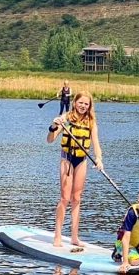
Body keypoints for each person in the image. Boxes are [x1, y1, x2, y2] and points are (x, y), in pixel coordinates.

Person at [47, 91, 103, 252]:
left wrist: (99, 159)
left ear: (89, 106)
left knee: (77, 198)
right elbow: (50, 140)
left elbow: (96, 144)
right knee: (65, 198)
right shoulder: (66, 118)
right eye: (81, 103)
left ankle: (74, 236)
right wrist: (53, 127)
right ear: (75, 103)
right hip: (67, 160)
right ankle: (57, 235)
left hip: (81, 161)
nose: (83, 106)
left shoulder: (91, 122)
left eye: (86, 104)